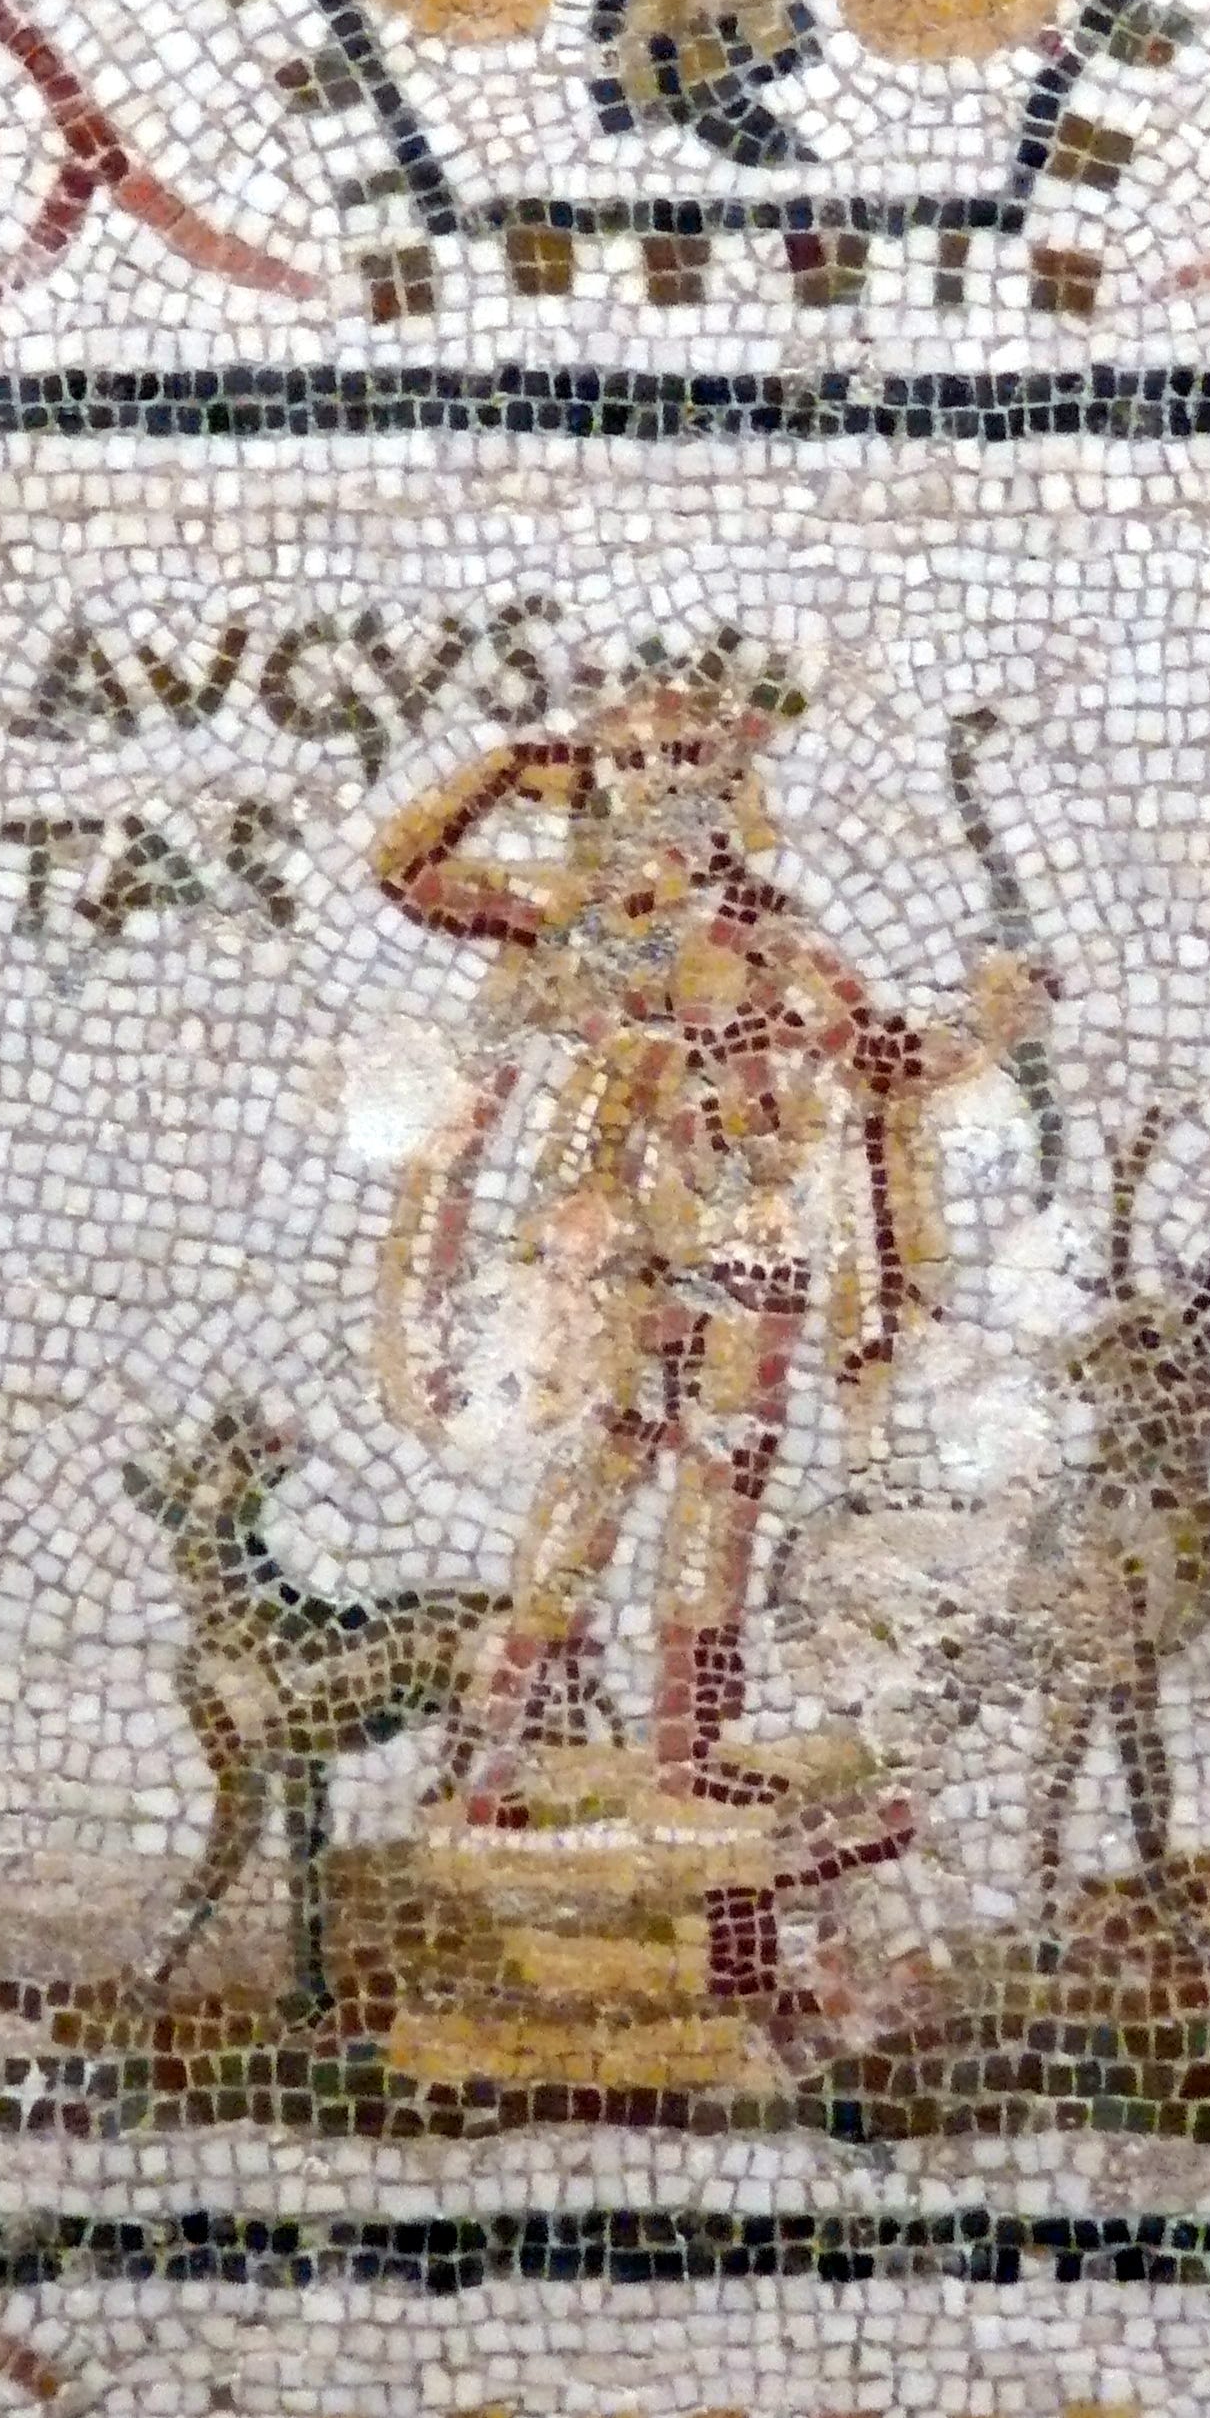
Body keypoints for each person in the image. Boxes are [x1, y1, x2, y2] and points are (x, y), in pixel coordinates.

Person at [371, 637, 1045, 1830]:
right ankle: (497, 1753)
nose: (663, 784)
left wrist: (981, 1028)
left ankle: (675, 1752)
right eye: (636, 763)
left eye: (686, 759)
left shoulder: (764, 937)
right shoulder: (578, 920)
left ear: (728, 779)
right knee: (608, 1472)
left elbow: (879, 1058)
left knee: (719, 1486)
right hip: (628, 1239)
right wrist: (514, 767)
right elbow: (410, 870)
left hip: (748, 1241)